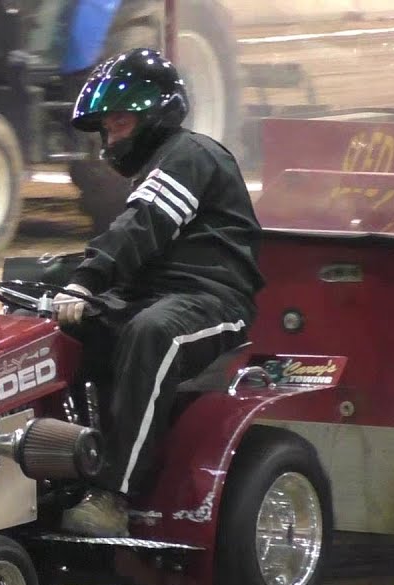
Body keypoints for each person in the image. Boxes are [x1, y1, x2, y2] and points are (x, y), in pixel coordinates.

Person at [55, 47, 265, 537]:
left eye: (121, 123)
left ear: (157, 115)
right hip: (153, 295)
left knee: (154, 333)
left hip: (213, 299)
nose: (111, 136)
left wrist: (86, 279)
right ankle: (58, 467)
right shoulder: (157, 166)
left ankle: (113, 497)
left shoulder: (189, 155)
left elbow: (143, 225)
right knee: (52, 330)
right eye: (106, 127)